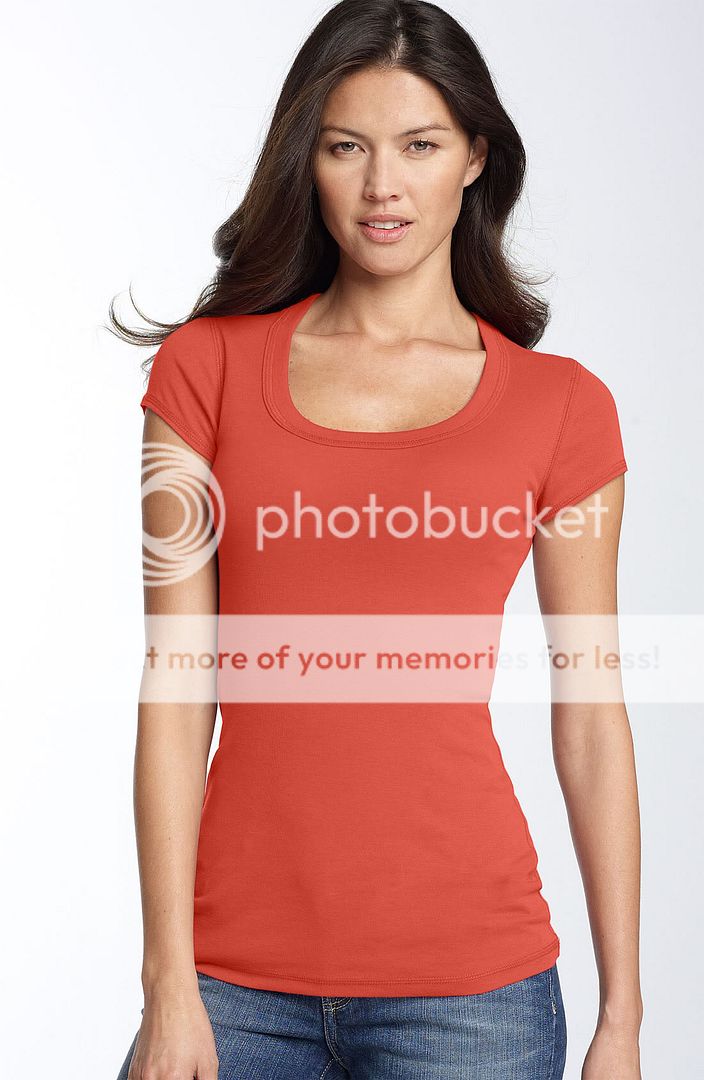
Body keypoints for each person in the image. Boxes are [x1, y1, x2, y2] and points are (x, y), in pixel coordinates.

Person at [111, 1, 643, 1077]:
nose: (381, 185)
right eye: (346, 147)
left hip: (474, 1000)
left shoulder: (563, 409)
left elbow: (591, 713)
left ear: (476, 158)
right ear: (306, 161)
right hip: (228, 988)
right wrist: (169, 982)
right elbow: (176, 688)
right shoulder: (205, 374)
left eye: (420, 146)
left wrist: (621, 1018)